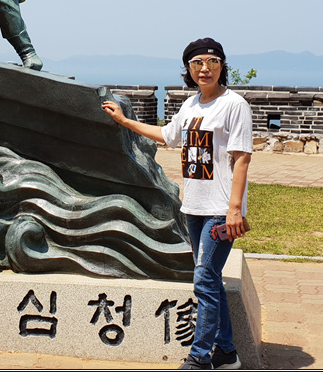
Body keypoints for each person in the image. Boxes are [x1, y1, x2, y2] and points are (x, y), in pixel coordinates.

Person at [102, 37, 252, 370]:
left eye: (212, 62)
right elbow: (168, 136)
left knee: (204, 280)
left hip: (219, 211)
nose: (204, 68)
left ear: (222, 66)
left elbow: (242, 158)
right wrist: (125, 122)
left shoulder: (234, 105)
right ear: (188, 68)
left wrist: (234, 209)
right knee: (210, 279)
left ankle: (200, 358)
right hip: (194, 209)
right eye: (197, 63)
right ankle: (227, 353)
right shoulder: (191, 105)